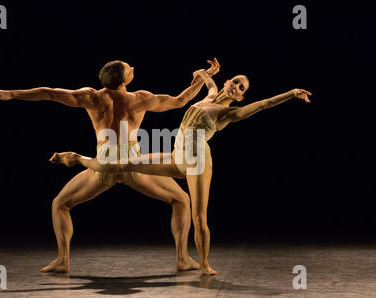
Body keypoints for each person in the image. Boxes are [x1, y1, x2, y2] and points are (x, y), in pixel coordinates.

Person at [50, 69, 312, 275]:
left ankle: (205, 264)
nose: (236, 86)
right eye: (235, 81)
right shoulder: (210, 96)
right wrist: (208, 72)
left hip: (197, 161)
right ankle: (77, 158)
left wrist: (291, 93)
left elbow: (264, 104)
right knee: (123, 164)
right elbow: (208, 82)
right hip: (177, 157)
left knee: (198, 216)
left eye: (241, 88)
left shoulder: (229, 112)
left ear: (241, 96)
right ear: (227, 81)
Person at [0, 58, 220, 273]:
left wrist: (11, 94)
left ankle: (63, 260)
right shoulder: (140, 98)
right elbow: (180, 101)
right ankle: (182, 258)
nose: (133, 68)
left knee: (60, 204)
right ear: (123, 79)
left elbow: (50, 93)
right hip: (133, 164)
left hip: (103, 164)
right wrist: (200, 81)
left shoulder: (92, 97)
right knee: (181, 200)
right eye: (130, 69)